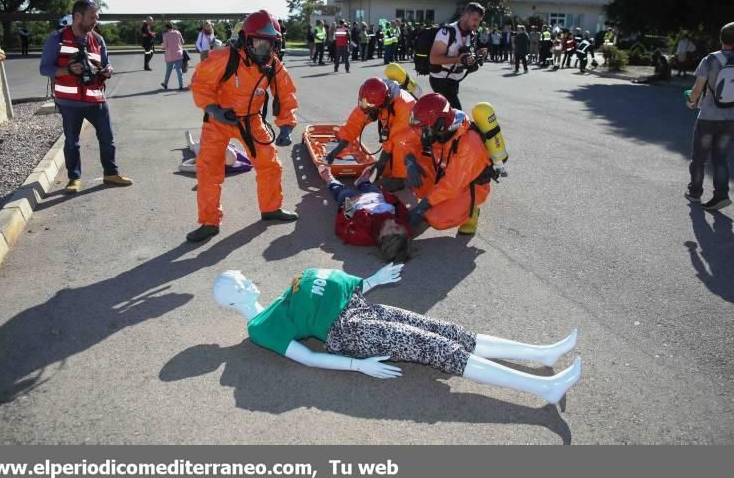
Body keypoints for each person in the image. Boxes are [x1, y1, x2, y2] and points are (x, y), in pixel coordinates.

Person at [213, 265, 582, 405]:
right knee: (438, 348)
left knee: (446, 331)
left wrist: (371, 281)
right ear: (231, 301)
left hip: (360, 310)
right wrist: (358, 367)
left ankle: (543, 354)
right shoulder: (260, 327)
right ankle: (542, 389)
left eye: (242, 276)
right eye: (238, 284)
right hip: (349, 333)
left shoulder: (280, 298)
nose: (247, 281)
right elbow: (306, 356)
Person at [187, 9, 300, 242]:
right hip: (219, 121)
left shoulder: (273, 65)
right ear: (246, 40)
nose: (264, 49)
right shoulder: (225, 57)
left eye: (269, 44)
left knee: (270, 163)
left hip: (251, 119)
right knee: (209, 170)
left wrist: (286, 126)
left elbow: (286, 95)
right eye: (259, 42)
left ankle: (271, 209)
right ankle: (209, 222)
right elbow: (200, 84)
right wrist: (215, 110)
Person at [39, 0, 133, 194]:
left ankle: (110, 173)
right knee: (72, 141)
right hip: (69, 102)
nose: (95, 21)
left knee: (107, 138)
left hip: (96, 99)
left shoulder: (97, 40)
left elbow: (106, 64)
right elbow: (45, 69)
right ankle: (74, 179)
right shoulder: (56, 39)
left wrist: (108, 70)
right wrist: (68, 70)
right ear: (78, 16)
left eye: (97, 17)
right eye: (92, 17)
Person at [684, 21, 734, 211]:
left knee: (699, 158)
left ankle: (695, 194)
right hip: (731, 118)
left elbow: (697, 89)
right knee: (721, 157)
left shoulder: (710, 60)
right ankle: (721, 195)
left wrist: (691, 101)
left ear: (720, 38)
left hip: (708, 116)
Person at [397, 93, 499, 236]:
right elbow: (407, 140)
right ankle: (435, 200)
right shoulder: (436, 127)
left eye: (423, 130)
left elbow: (452, 184)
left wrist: (422, 207)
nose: (419, 133)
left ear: (440, 125)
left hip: (470, 186)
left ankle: (470, 212)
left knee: (436, 218)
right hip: (447, 174)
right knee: (419, 182)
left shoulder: (469, 143)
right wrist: (409, 162)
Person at [325, 77, 417, 191]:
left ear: (381, 104)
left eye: (368, 106)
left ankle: (399, 180)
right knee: (386, 171)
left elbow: (395, 138)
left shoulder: (405, 105)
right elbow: (355, 122)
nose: (364, 107)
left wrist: (380, 164)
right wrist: (339, 148)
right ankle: (394, 170)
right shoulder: (373, 98)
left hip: (412, 136)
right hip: (395, 131)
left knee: (399, 143)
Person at [316, 165, 411, 262]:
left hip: (354, 204)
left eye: (390, 228)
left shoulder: (361, 237)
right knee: (371, 188)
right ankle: (363, 182)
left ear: (380, 237)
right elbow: (400, 207)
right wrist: (387, 195)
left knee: (344, 192)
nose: (392, 223)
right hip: (375, 197)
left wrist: (348, 205)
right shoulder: (404, 228)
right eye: (397, 227)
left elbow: (341, 227)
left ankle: (331, 181)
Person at [427, 2, 486, 111]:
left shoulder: (470, 34)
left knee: (446, 117)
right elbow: (433, 59)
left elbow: (464, 55)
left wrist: (475, 56)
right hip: (440, 79)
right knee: (456, 114)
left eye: (479, 21)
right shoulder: (447, 32)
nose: (477, 24)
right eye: (475, 19)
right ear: (465, 16)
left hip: (454, 80)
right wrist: (459, 59)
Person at [160, 22, 186, 90]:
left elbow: (165, 46)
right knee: (179, 70)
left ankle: (165, 84)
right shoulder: (178, 32)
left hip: (170, 55)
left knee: (168, 71)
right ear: (172, 26)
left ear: (166, 28)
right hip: (178, 54)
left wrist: (161, 46)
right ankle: (181, 85)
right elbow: (182, 42)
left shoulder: (165, 35)